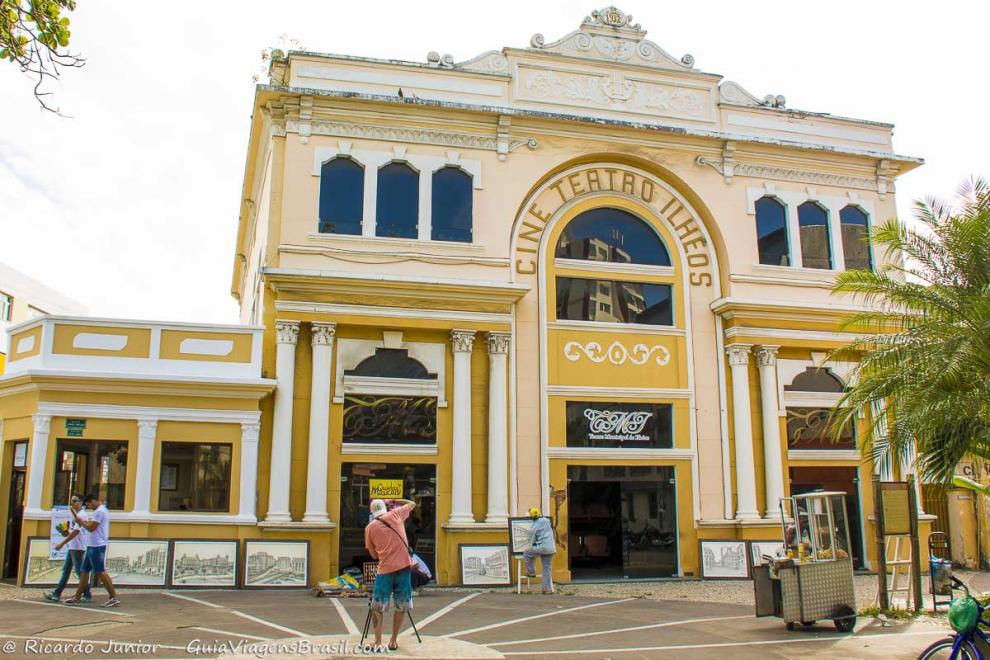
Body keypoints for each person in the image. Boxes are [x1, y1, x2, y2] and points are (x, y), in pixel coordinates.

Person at [364, 498, 416, 652]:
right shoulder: (396, 514)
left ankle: (377, 641)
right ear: (385, 508)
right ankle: (393, 641)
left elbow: (373, 555)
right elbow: (412, 503)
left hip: (385, 570)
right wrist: (393, 500)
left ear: (372, 512)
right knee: (401, 605)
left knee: (377, 606)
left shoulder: (370, 528)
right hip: (404, 568)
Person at [64, 493, 119, 607]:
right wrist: (83, 522)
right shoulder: (100, 510)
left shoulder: (99, 512)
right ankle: (77, 597)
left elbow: (91, 528)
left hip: (97, 546)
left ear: (93, 501)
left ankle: (113, 597)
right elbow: (91, 524)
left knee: (100, 571)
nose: (88, 506)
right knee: (84, 572)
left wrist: (81, 522)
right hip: (91, 545)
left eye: (88, 504)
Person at [43, 495, 92, 603]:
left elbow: (76, 532)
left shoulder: (82, 515)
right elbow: (72, 531)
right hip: (73, 547)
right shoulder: (77, 515)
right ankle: (57, 593)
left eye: (74, 501)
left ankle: (87, 593)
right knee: (66, 571)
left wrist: (62, 543)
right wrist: (65, 533)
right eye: (71, 501)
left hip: (78, 547)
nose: (72, 503)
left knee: (79, 572)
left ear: (80, 502)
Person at [523, 507, 556, 594]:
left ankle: (531, 572)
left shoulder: (534, 526)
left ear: (532, 517)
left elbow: (532, 540)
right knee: (547, 568)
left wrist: (532, 545)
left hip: (542, 547)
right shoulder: (546, 520)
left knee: (527, 553)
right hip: (551, 548)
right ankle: (546, 589)